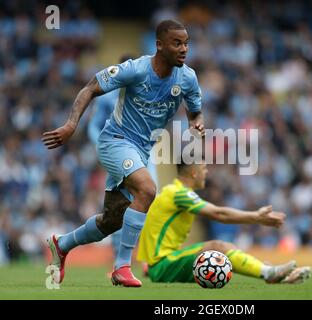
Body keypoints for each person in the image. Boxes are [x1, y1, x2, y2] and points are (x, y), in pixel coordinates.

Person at [42, 19, 205, 287]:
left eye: (186, 43)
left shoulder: (188, 77)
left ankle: (62, 244)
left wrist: (196, 123)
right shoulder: (136, 69)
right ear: (159, 45)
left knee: (112, 221)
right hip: (115, 141)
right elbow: (91, 87)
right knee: (148, 190)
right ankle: (122, 267)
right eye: (177, 43)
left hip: (142, 150)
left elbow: (195, 110)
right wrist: (72, 124)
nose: (184, 49)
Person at [137, 158, 312, 284]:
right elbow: (219, 214)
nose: (206, 172)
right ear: (194, 171)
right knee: (218, 247)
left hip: (159, 263)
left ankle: (270, 272)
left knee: (227, 249)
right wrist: (256, 217)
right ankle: (268, 272)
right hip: (162, 264)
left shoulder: (171, 192)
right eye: (204, 168)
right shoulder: (180, 194)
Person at [87, 54, 158, 262]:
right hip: (119, 151)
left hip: (144, 153)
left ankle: (141, 255)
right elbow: (94, 125)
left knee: (149, 197)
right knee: (124, 203)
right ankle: (120, 255)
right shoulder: (108, 96)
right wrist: (100, 146)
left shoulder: (146, 93)